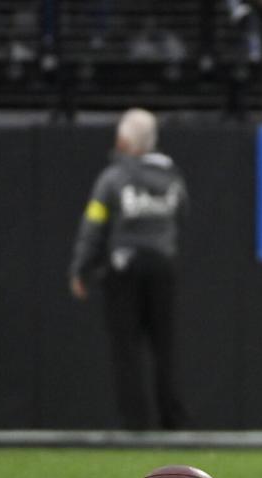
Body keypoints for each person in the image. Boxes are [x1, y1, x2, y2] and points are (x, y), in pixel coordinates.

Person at [69, 109, 189, 430]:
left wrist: (81, 267)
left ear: (124, 140)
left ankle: (136, 425)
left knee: (126, 350)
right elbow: (183, 213)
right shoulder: (172, 177)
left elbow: (93, 225)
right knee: (164, 347)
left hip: (124, 269)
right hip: (163, 267)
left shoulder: (114, 178)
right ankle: (173, 422)